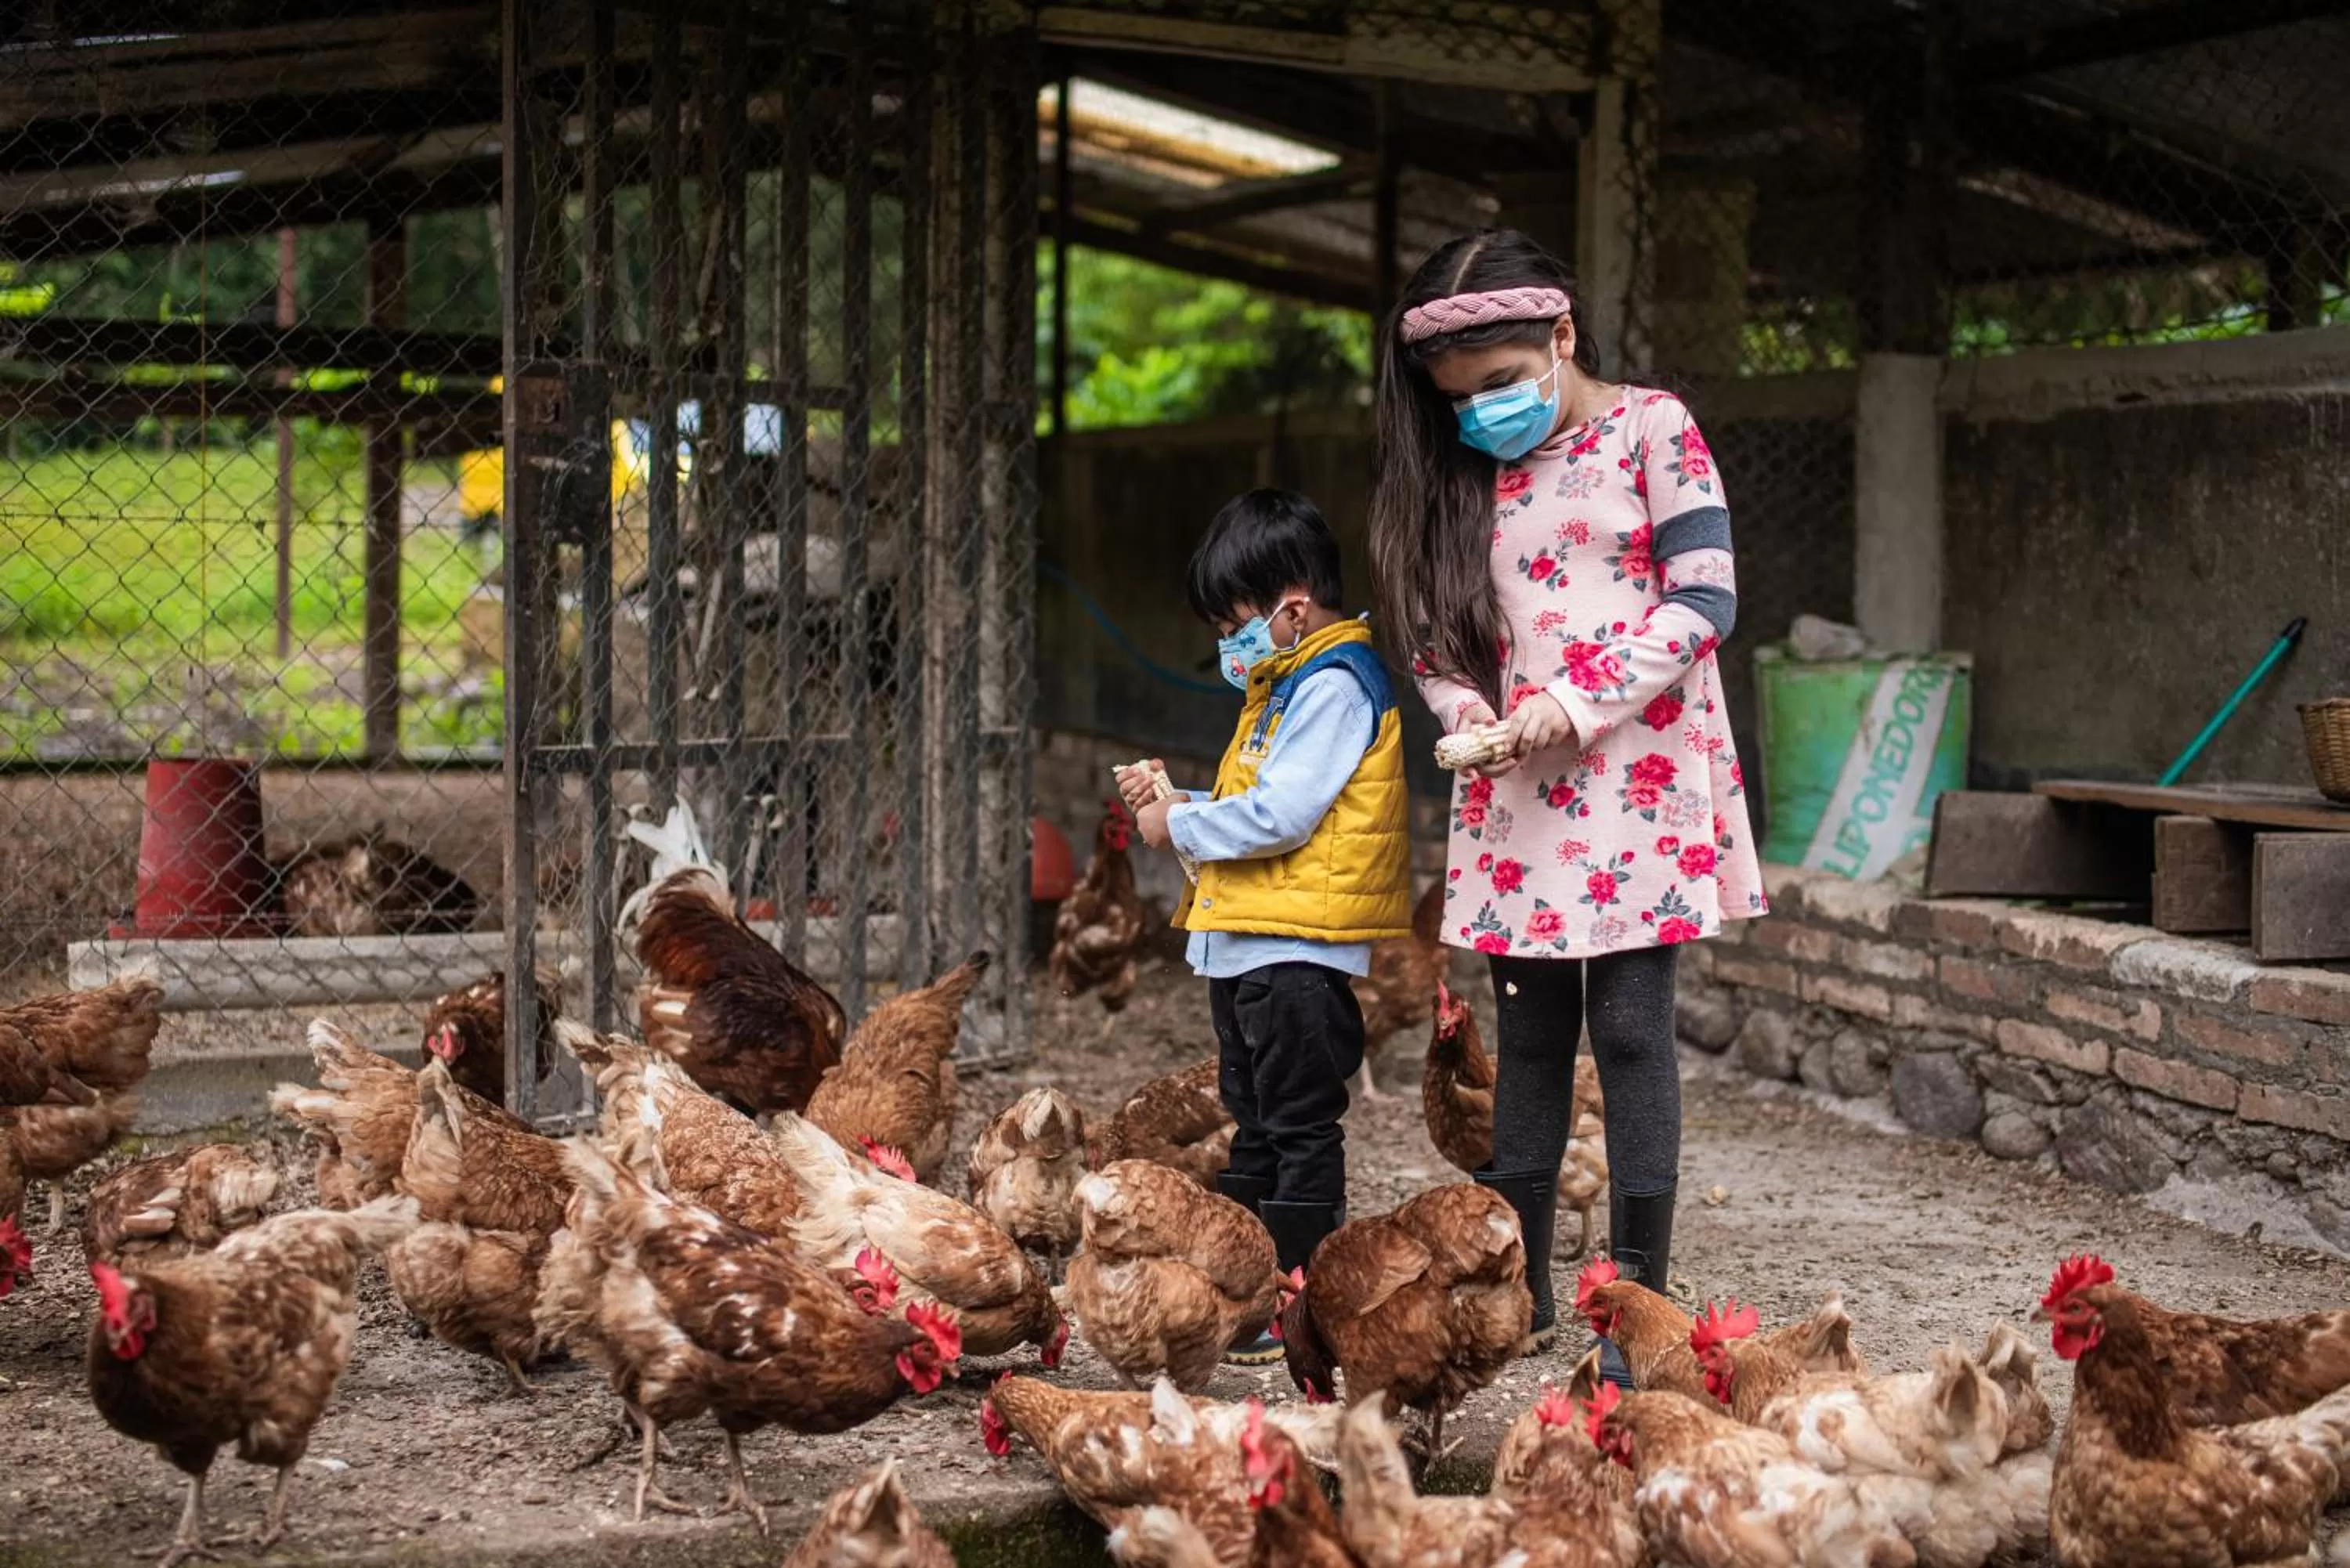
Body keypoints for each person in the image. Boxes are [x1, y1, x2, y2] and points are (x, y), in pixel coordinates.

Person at [1368, 229, 1766, 1385]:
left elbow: (1706, 599)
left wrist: (1576, 702)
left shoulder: (1654, 428)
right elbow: (1437, 641)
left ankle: (1636, 1299)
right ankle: (1523, 1286)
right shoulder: (1458, 474)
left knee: (1634, 1027)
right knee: (1528, 1039)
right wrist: (1459, 714)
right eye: (1458, 400)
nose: (1482, 413)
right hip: (1517, 787)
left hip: (1637, 768)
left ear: (1562, 336)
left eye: (1500, 385)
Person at [1117, 487, 1414, 1364]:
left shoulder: (1330, 684)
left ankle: (1302, 1295)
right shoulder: (1286, 683)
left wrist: (1181, 825)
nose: (1225, 645)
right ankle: (1250, 1287)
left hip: (1297, 953)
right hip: (1255, 940)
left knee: (1297, 1125)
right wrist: (1185, 803)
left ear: (1291, 607)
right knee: (1254, 1117)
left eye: (1232, 624)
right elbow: (1265, 805)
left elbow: (1284, 816)